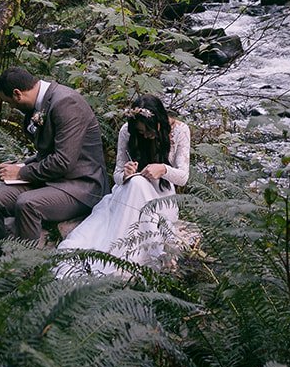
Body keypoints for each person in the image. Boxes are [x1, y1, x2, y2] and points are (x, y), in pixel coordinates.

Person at [0, 65, 109, 260]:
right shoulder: (38, 105)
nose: (11, 108)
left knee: (28, 203)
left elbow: (63, 162)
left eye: (9, 103)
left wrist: (21, 173)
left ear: (17, 94)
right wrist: (22, 166)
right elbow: (46, 154)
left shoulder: (67, 103)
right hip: (52, 181)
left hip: (80, 186)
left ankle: (26, 270)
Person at [55, 95, 190, 273]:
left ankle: (123, 255)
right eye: (141, 132)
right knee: (137, 183)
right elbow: (117, 175)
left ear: (160, 121)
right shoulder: (127, 131)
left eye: (149, 130)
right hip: (130, 191)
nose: (147, 136)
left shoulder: (180, 130)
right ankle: (118, 254)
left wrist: (164, 169)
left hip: (161, 196)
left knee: (138, 184)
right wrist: (126, 174)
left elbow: (183, 176)